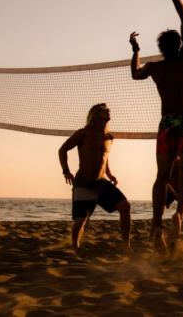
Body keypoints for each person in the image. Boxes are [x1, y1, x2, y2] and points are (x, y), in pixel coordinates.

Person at [129, 0, 183, 254]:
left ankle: (157, 224)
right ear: (180, 45)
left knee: (162, 176)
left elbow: (135, 74)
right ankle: (179, 214)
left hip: (168, 122)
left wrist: (135, 49)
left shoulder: (156, 67)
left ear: (160, 48)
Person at [58, 103, 133, 253]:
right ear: (95, 114)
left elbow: (104, 157)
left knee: (125, 206)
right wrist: (66, 171)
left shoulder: (109, 137)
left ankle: (126, 246)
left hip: (101, 182)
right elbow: (63, 149)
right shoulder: (83, 133)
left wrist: (109, 172)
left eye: (108, 109)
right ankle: (75, 246)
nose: (108, 111)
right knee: (81, 220)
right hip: (84, 182)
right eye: (103, 110)